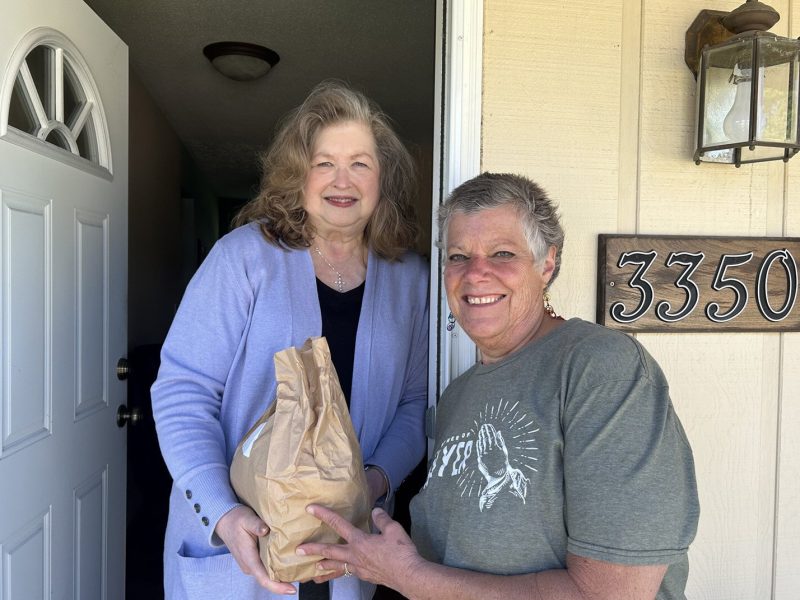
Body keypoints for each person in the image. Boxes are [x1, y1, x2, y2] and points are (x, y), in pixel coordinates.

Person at [298, 172, 700, 600]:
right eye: (458, 257)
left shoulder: (602, 369)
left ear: (546, 264)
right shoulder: (457, 396)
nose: (476, 274)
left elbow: (610, 595)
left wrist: (410, 577)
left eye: (502, 253)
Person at [150, 80, 429, 600]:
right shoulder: (243, 259)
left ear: (383, 177)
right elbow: (182, 392)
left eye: (360, 163)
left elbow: (415, 405)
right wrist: (224, 513)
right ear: (298, 174)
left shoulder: (410, 280)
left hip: (351, 547)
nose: (341, 180)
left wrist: (369, 484)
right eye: (324, 162)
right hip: (243, 544)